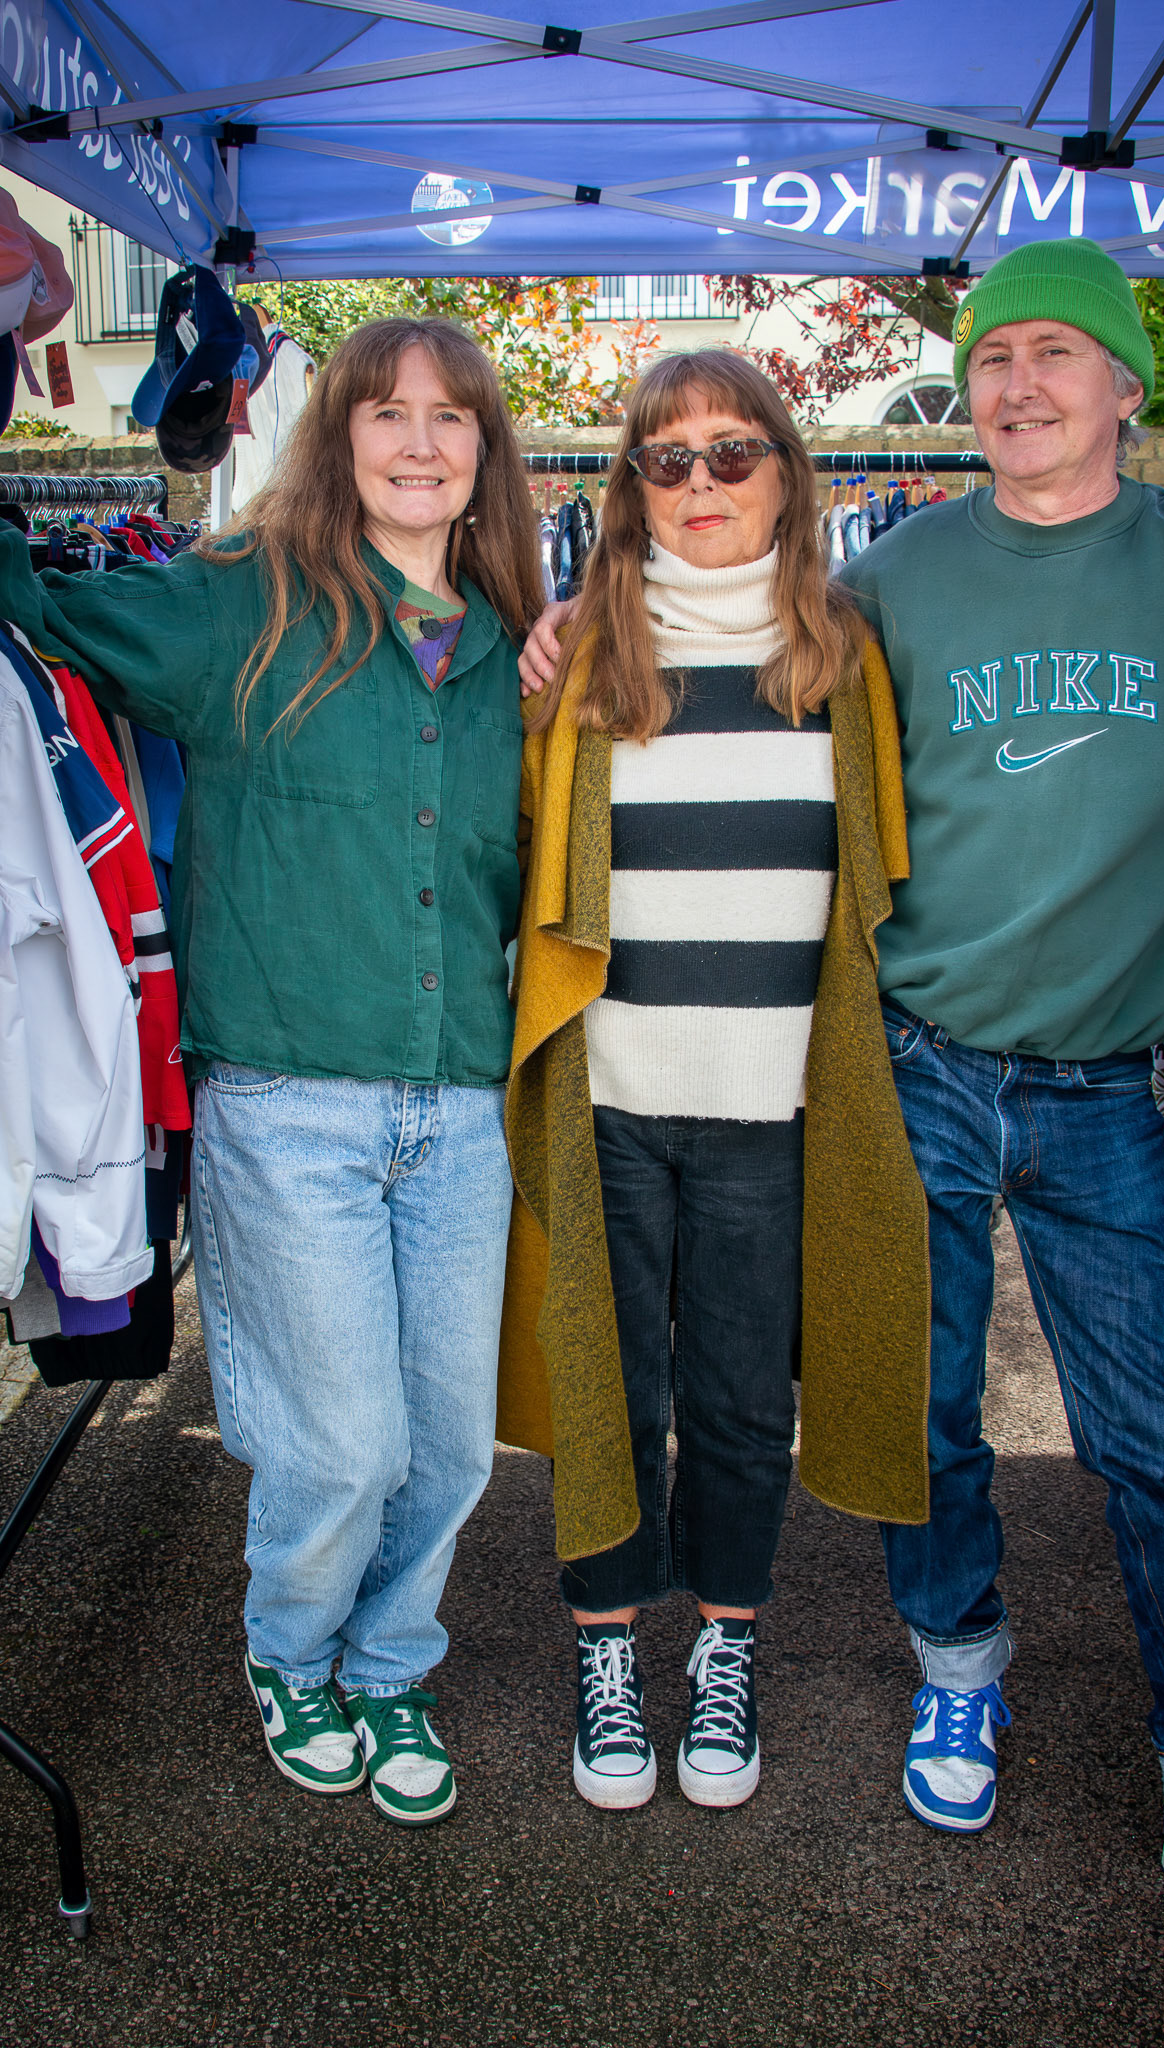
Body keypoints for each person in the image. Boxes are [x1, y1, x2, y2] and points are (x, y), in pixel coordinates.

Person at [836, 238, 1164, 1942]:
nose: (1017, 384)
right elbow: (718, 671)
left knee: (1157, 1448)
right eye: (992, 359)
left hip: (1095, 1093)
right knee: (922, 1414)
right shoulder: (890, 576)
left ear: (1128, 385)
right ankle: (955, 1675)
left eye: (1055, 353)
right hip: (915, 1059)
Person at [0, 318, 544, 1828]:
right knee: (342, 1445)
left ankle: (391, 1660)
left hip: (461, 1105)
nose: (420, 443)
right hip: (289, 1105)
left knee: (448, 1447)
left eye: (451, 417)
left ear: (486, 450)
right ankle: (293, 1652)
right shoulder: (239, 606)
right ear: (338, 436)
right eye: (388, 414)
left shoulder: (516, 646)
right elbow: (37, 607)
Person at [497, 349, 930, 1811]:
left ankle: (727, 1642)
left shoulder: (842, 661)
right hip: (610, 1101)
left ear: (788, 478)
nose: (700, 483)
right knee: (608, 1388)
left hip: (773, 1107)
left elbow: (879, 883)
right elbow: (521, 859)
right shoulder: (581, 662)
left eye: (733, 452)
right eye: (666, 457)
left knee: (743, 1402)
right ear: (630, 487)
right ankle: (610, 1649)